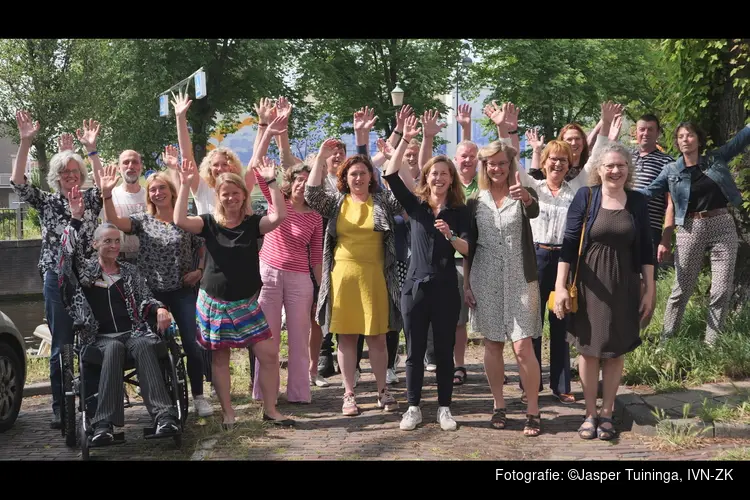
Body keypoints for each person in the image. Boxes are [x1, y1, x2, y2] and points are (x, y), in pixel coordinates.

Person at [174, 159, 292, 428]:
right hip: (214, 301)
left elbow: (280, 216)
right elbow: (179, 219)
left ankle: (271, 410)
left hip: (247, 302)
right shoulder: (208, 223)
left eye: (235, 193)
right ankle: (228, 413)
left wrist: (272, 182)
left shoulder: (253, 223)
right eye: (225, 193)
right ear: (218, 196)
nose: (230, 198)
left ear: (244, 195)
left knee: (269, 354)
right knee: (220, 357)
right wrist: (183, 184)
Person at [59, 191, 179, 444]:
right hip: (99, 339)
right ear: (95, 245)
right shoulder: (86, 273)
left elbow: (147, 297)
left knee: (146, 344)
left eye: (117, 241)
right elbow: (65, 258)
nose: (114, 246)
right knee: (113, 348)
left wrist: (159, 308)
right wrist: (75, 219)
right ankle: (103, 425)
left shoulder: (130, 272)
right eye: (107, 241)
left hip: (133, 333)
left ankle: (164, 417)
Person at [554, 142, 655, 441]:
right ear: (598, 170)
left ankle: (608, 413)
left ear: (628, 169)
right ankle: (589, 414)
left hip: (625, 285)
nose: (615, 170)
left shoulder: (637, 201)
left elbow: (646, 250)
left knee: (615, 350)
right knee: (589, 350)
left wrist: (650, 290)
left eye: (620, 165)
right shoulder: (586, 197)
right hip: (588, 284)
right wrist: (560, 286)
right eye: (609, 165)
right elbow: (569, 244)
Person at [10, 111, 104, 429]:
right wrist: (25, 142)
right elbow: (19, 183)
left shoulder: (92, 199)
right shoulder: (49, 203)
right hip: (57, 277)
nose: (71, 178)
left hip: (89, 276)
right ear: (57, 178)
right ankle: (60, 406)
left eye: (76, 172)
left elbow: (106, 185)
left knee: (93, 340)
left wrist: (91, 149)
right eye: (65, 174)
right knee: (61, 345)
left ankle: (92, 403)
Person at [305, 112, 402, 416]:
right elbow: (310, 193)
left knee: (377, 337)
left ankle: (383, 391)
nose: (358, 178)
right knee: (346, 337)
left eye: (363, 173)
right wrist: (321, 157)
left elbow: (407, 198)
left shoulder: (382, 201)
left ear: (372, 176)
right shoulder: (335, 202)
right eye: (352, 175)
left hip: (375, 275)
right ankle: (348, 394)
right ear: (344, 180)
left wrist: (395, 152)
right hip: (343, 276)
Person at [99, 164, 211, 418]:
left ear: (171, 192)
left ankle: (199, 395)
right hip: (151, 294)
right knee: (153, 346)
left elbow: (201, 245)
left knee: (193, 345)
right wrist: (107, 195)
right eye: (153, 190)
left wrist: (200, 270)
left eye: (162, 188)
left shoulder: (185, 219)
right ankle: (162, 400)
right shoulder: (143, 220)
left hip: (181, 290)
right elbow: (114, 221)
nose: (157, 193)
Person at [383, 114, 470, 431]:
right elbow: (390, 173)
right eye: (434, 173)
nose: (438, 178)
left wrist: (450, 234)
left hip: (446, 290)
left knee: (445, 353)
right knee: (414, 353)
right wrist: (404, 137)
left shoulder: (460, 211)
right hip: (415, 289)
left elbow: (468, 249)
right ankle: (413, 407)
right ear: (427, 177)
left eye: (444, 174)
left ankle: (444, 408)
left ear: (452, 179)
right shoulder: (416, 206)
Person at [639, 121, 750, 345]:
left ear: (698, 140)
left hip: (721, 224)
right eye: (680, 137)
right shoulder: (672, 170)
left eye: (689, 136)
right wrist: (618, 196)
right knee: (682, 289)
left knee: (721, 289)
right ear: (677, 142)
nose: (685, 140)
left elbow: (740, 141)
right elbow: (649, 191)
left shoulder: (715, 159)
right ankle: (666, 342)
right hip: (690, 227)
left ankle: (712, 345)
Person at [463, 139, 543, 436]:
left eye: (502, 163)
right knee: (493, 345)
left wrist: (526, 198)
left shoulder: (523, 194)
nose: (497, 168)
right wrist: (467, 284)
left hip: (521, 278)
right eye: (491, 163)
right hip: (485, 278)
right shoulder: (475, 201)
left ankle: (533, 409)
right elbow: (470, 246)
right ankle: (498, 404)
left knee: (523, 347)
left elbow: (534, 213)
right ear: (485, 166)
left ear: (510, 166)